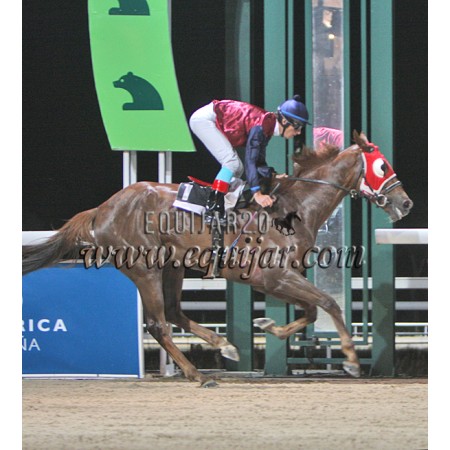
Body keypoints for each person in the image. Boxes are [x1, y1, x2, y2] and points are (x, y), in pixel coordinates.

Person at [189, 95, 311, 221]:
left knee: (238, 169)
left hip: (211, 118)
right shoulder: (261, 127)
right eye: (297, 127)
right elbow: (251, 161)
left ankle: (224, 202)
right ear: (285, 122)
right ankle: (213, 207)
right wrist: (257, 194)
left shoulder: (267, 125)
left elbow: (258, 161)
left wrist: (272, 175)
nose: (299, 132)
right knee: (232, 163)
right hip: (205, 120)